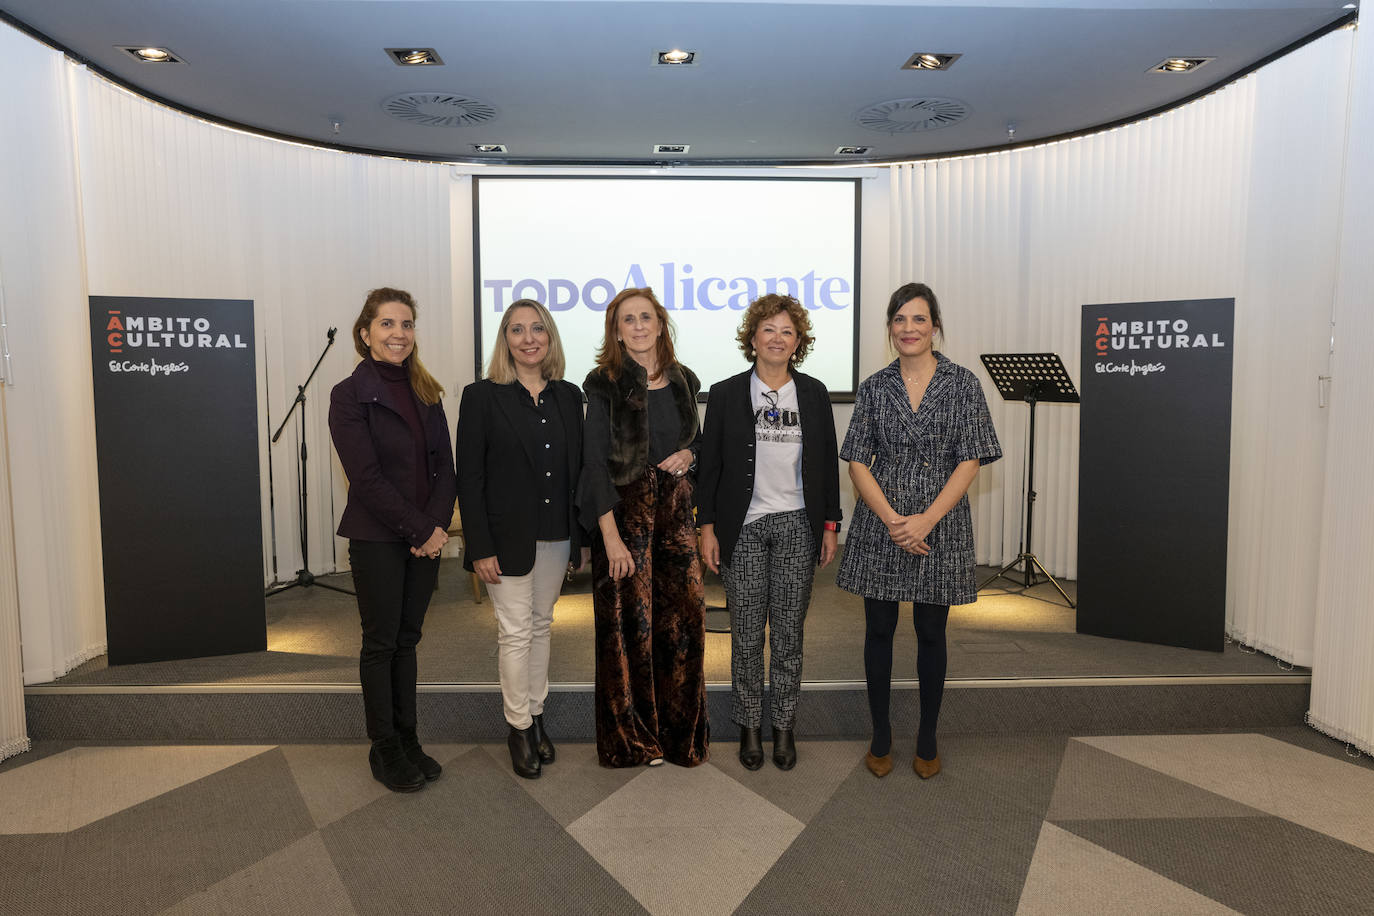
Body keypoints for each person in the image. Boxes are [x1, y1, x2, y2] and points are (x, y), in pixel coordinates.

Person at [836, 282, 1001, 780]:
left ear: (935, 326)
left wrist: (926, 519)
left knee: (931, 632)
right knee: (879, 631)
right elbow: (857, 462)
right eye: (900, 320)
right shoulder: (873, 386)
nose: (909, 329)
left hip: (941, 525)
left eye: (919, 319)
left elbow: (971, 460)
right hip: (879, 525)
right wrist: (892, 520)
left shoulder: (963, 383)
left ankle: (928, 735)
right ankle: (881, 733)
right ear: (890, 328)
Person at [697, 294, 841, 771]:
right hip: (745, 528)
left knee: (788, 635)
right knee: (744, 633)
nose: (777, 338)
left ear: (798, 342)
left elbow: (825, 464)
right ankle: (749, 727)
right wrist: (707, 527)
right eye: (768, 330)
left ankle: (783, 726)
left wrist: (830, 524)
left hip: (798, 523)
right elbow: (711, 468)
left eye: (787, 331)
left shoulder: (815, 393)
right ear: (752, 337)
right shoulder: (724, 393)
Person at [329, 287, 456, 793]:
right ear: (365, 334)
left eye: (406, 325)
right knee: (382, 644)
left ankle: (408, 739)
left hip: (425, 536)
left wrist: (436, 525)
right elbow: (366, 478)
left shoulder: (426, 389)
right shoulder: (347, 394)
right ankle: (383, 749)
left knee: (408, 641)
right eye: (387, 324)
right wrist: (422, 529)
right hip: (379, 537)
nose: (398, 334)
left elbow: (446, 468)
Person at [579, 287, 709, 768]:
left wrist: (692, 454)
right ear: (616, 330)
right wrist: (610, 537)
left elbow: (700, 442)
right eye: (627, 319)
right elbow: (593, 463)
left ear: (660, 324)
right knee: (627, 632)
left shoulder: (683, 380)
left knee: (683, 626)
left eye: (646, 317)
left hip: (676, 520)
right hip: (624, 519)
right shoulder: (603, 382)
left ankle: (679, 736)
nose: (638, 326)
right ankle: (631, 739)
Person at [455, 299, 583, 780]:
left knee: (541, 625)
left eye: (537, 329)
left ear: (550, 337)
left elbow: (578, 471)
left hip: (556, 534)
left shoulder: (568, 396)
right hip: (504, 540)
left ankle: (536, 715)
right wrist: (479, 546)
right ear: (504, 340)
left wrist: (582, 536)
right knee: (514, 633)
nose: (528, 338)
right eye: (516, 330)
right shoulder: (481, 396)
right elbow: (469, 479)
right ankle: (518, 727)